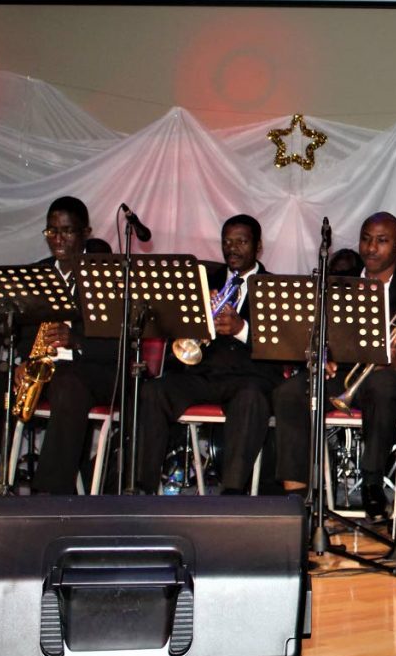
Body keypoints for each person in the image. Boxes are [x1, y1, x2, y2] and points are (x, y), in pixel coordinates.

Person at [271, 212, 396, 521]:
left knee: (381, 385)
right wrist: (321, 356)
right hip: (344, 378)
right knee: (290, 392)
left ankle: (372, 484)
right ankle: (295, 496)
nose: (371, 248)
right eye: (366, 239)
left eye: (382, 241)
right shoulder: (340, 281)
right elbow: (315, 334)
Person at [136, 214, 284, 494]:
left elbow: (280, 346)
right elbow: (173, 326)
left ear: (258, 247)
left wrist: (241, 329)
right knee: (153, 391)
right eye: (227, 242)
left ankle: (231, 492)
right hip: (202, 372)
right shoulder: (204, 281)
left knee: (251, 398)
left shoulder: (273, 287)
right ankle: (144, 487)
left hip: (249, 376)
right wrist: (198, 317)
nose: (232, 248)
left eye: (241, 241)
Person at [18, 197, 119, 494]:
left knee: (68, 383)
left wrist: (75, 340)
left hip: (98, 370)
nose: (58, 239)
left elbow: (118, 345)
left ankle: (49, 493)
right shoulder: (39, 272)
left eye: (67, 231)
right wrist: (22, 362)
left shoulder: (106, 272)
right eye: (51, 231)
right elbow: (25, 332)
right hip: (50, 369)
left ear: (86, 232)